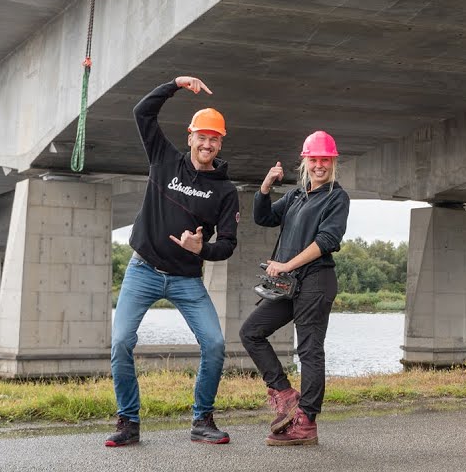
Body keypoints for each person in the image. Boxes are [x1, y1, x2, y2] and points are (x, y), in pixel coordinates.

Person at [106, 76, 240, 447]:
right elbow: (142, 112)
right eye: (202, 136)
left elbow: (227, 244)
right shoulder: (164, 159)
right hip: (142, 269)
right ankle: (128, 422)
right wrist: (175, 84)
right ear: (191, 137)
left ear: (220, 143)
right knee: (120, 343)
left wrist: (202, 250)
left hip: (185, 278)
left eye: (214, 138)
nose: (207, 144)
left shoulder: (226, 192)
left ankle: (202, 419)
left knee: (213, 344)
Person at [241, 130, 350, 446]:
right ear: (305, 162)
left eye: (325, 160)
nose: (319, 165)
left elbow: (327, 241)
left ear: (332, 162)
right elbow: (263, 218)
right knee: (251, 331)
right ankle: (285, 394)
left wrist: (287, 264)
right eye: (314, 159)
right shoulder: (296, 195)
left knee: (309, 350)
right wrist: (265, 186)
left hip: (316, 281)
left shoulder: (336, 197)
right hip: (289, 286)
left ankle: (306, 422)